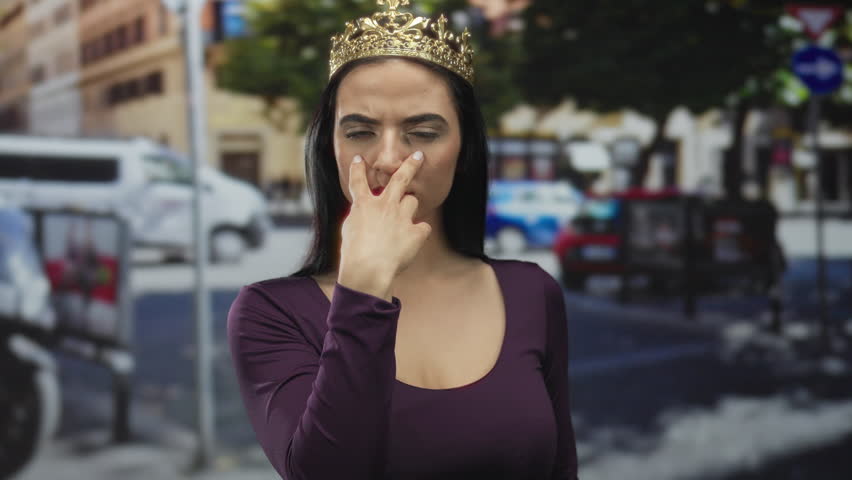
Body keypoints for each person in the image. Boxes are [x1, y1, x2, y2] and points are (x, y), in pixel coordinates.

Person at [226, 1, 578, 478]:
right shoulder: (270, 312)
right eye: (360, 131)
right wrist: (363, 289)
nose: (388, 159)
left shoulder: (532, 292)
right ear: (328, 147)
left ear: (464, 147)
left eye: (423, 132)